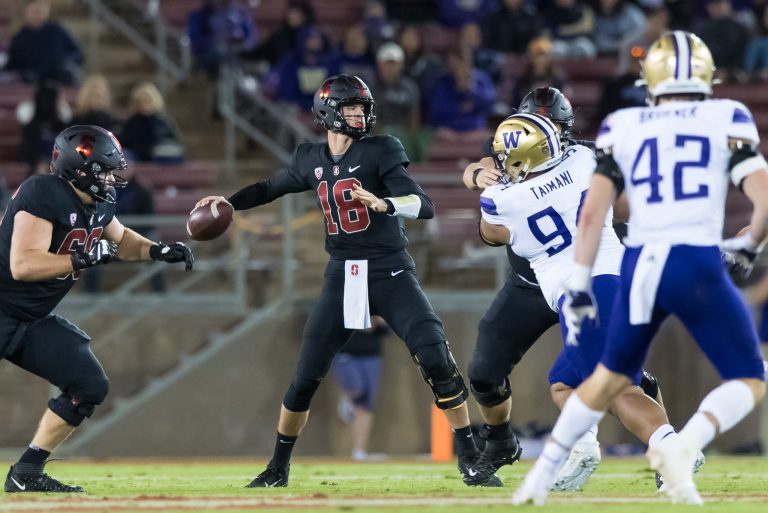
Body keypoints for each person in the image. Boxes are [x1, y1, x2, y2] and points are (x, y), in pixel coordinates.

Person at [194, 74, 502, 488]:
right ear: (327, 112)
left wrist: (384, 202)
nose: (360, 114)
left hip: (390, 270)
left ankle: (469, 457)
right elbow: (271, 187)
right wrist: (227, 201)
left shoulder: (382, 149)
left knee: (435, 356)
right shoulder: (309, 157)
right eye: (352, 108)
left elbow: (424, 204)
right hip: (342, 275)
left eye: (362, 108)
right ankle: (277, 467)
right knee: (306, 375)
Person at [513, 31, 768, 506]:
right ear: (707, 74)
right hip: (696, 260)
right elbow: (762, 192)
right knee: (749, 376)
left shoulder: (623, 123)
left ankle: (537, 481)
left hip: (641, 266)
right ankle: (681, 446)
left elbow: (594, 214)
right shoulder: (727, 115)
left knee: (605, 378)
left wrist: (582, 282)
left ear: (649, 77)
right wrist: (751, 242)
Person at [464, 109, 687, 490]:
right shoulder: (585, 159)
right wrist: (475, 171)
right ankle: (584, 448)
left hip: (578, 285)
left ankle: (671, 452)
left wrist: (480, 180)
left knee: (614, 388)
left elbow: (491, 233)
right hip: (598, 279)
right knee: (563, 383)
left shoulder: (503, 198)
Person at [1, 125, 194, 493]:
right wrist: (81, 258)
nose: (110, 178)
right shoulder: (43, 192)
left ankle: (26, 472)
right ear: (79, 169)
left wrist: (157, 250)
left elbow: (120, 240)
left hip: (32, 319)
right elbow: (22, 265)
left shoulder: (99, 203)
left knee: (89, 385)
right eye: (104, 170)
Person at [333, 315, 388, 461]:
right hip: (346, 351)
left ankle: (359, 451)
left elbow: (386, 330)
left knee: (365, 404)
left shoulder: (378, 300)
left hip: (371, 354)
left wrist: (380, 321)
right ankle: (346, 397)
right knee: (356, 388)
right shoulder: (343, 295)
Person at [4, 0, 84, 86]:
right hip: (31, 85)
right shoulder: (19, 38)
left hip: (59, 80)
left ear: (47, 10)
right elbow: (13, 66)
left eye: (40, 10)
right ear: (26, 11)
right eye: (34, 11)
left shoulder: (58, 31)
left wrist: (62, 63)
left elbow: (78, 54)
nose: (37, 14)